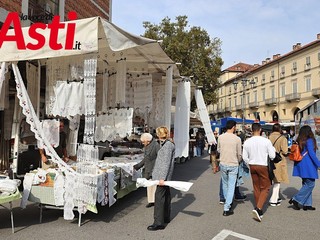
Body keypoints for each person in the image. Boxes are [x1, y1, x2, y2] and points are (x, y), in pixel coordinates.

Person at [242, 123, 275, 222]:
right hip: (263, 165)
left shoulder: (247, 141)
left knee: (256, 187)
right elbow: (273, 156)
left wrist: (249, 163)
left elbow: (244, 157)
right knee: (266, 187)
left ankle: (258, 208)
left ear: (252, 130)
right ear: (260, 129)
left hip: (252, 165)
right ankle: (258, 208)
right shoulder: (266, 141)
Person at [147, 126, 175, 231]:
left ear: (159, 134)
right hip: (164, 176)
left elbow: (165, 163)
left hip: (162, 176)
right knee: (166, 196)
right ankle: (165, 217)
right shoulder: (167, 144)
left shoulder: (167, 145)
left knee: (159, 198)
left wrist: (162, 178)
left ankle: (158, 222)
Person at [289, 125, 320, 211]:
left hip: (300, 164)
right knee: (310, 184)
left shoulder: (299, 140)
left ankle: (307, 204)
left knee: (306, 183)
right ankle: (296, 199)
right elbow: (312, 154)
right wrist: (319, 164)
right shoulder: (309, 140)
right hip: (308, 164)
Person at [217, 120, 242, 216]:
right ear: (233, 127)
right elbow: (239, 154)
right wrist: (238, 161)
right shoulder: (237, 139)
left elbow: (219, 149)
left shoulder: (220, 137)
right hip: (233, 163)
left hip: (223, 162)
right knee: (231, 185)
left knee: (225, 184)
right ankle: (227, 207)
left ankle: (227, 202)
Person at [133, 133, 160, 208]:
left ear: (148, 141)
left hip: (154, 168)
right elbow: (146, 158)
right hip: (148, 168)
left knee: (154, 185)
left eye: (143, 142)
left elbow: (160, 157)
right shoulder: (148, 146)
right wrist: (138, 166)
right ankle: (151, 201)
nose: (142, 143)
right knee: (149, 185)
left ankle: (155, 201)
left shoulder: (156, 145)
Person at [268, 123, 289, 206]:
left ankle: (276, 197)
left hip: (270, 160)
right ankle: (273, 200)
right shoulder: (282, 138)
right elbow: (285, 151)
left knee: (273, 179)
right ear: (280, 129)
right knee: (277, 181)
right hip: (279, 161)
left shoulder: (269, 137)